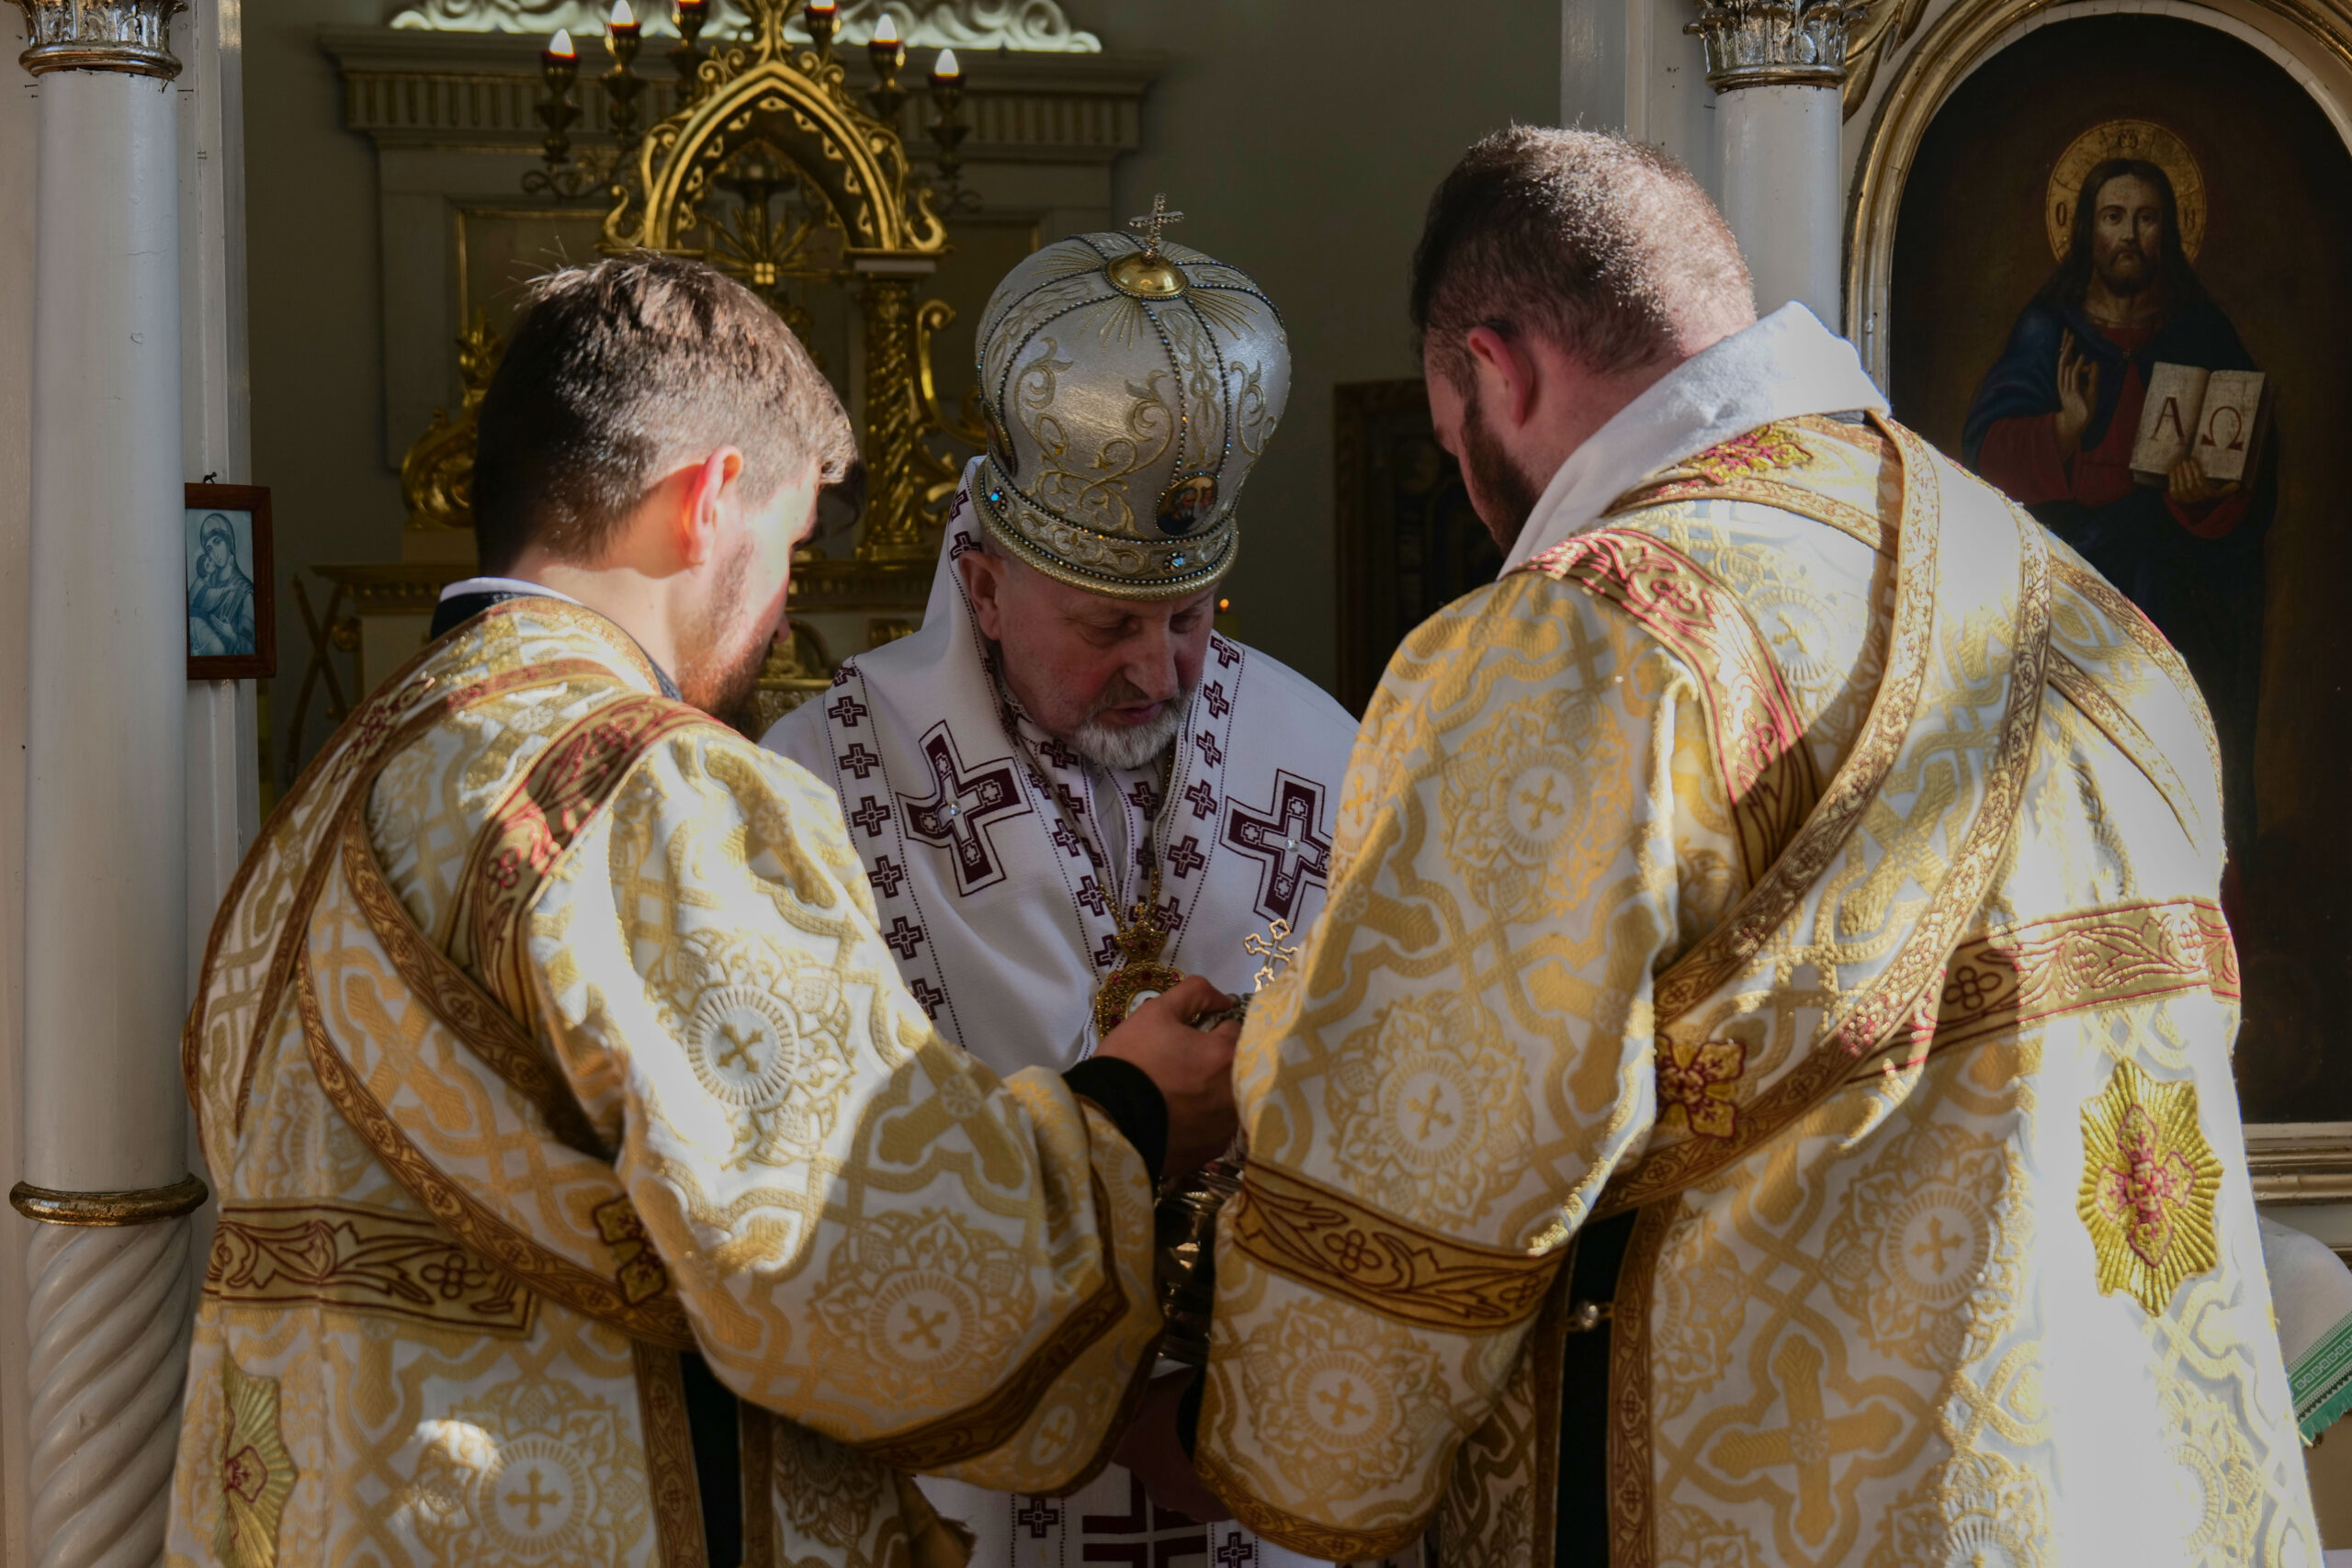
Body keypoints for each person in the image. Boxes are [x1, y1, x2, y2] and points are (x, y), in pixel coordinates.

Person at [1159, 129, 2318, 1566]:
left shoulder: (1587, 637)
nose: (1472, 492)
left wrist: (1264, 1401)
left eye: (1456, 441)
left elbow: (1430, 1170)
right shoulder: (2098, 619)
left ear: (1497, 370)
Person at [172, 254, 1240, 1568]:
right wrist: (1130, 1115)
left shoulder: (335, 788)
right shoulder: (641, 784)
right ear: (709, 498)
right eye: (791, 545)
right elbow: (850, 1257)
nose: (788, 605)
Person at [765, 222, 1363, 1568]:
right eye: (1105, 625)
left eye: (1193, 615)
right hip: (969, 1494)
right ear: (981, 579)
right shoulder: (814, 793)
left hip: (1262, 1483)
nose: (1161, 670)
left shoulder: (1322, 750)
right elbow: (802, 1199)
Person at [1963, 157, 2270, 862]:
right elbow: (1984, 456)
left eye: (2146, 217)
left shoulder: (2201, 331)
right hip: (2076, 593)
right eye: (2113, 216)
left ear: (2169, 229)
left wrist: (2206, 500)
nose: (2130, 234)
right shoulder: (2047, 332)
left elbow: (2251, 468)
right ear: (2084, 230)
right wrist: (2064, 430)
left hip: (2180, 599)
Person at [188, 511, 257, 657]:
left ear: (229, 540)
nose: (215, 553)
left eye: (217, 542)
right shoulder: (207, 585)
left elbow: (252, 649)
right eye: (209, 549)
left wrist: (232, 635)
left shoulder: (245, 593)